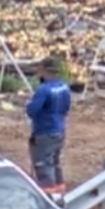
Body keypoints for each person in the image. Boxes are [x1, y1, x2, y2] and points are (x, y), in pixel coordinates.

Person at [26, 57, 73, 198]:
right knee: (55, 162)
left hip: (45, 132)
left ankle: (48, 196)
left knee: (43, 165)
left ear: (45, 71)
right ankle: (60, 191)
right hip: (59, 130)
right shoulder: (64, 87)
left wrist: (29, 103)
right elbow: (66, 108)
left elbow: (32, 111)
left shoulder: (43, 90)